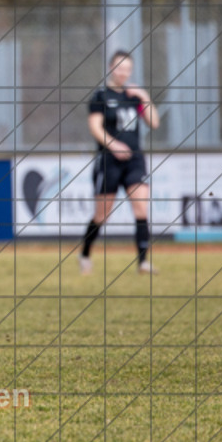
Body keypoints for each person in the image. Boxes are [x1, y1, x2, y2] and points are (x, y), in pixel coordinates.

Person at [78, 50, 160, 275]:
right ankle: (85, 254)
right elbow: (95, 127)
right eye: (119, 67)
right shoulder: (101, 96)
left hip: (134, 161)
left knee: (141, 207)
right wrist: (113, 145)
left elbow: (154, 122)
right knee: (102, 215)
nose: (123, 72)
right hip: (108, 162)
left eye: (127, 68)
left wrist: (144, 96)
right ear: (111, 68)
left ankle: (143, 262)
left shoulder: (135, 97)